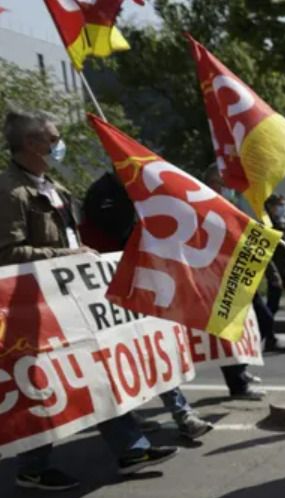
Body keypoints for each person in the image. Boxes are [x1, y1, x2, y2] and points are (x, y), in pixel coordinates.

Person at [0, 110, 176, 491]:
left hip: (66, 300)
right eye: (53, 137)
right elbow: (8, 252)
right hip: (33, 308)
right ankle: (32, 466)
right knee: (46, 383)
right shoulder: (10, 192)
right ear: (31, 144)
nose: (58, 143)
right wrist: (66, 258)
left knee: (92, 368)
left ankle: (131, 448)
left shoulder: (53, 187)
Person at [80, 171, 216, 441]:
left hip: (139, 279)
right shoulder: (102, 193)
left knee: (154, 347)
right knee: (126, 354)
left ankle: (183, 414)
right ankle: (146, 417)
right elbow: (119, 232)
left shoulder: (136, 189)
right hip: (108, 286)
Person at [201, 164, 266, 400]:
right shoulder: (204, 209)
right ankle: (238, 384)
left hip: (239, 275)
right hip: (218, 280)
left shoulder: (229, 206)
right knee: (228, 329)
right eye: (223, 184)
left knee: (257, 321)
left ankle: (241, 368)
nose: (229, 189)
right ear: (210, 185)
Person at [261, 194, 285, 354]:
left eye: (283, 204)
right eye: (279, 205)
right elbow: (264, 253)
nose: (283, 208)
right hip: (277, 272)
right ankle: (267, 338)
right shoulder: (266, 224)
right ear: (270, 207)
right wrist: (273, 275)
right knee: (272, 307)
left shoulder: (282, 223)